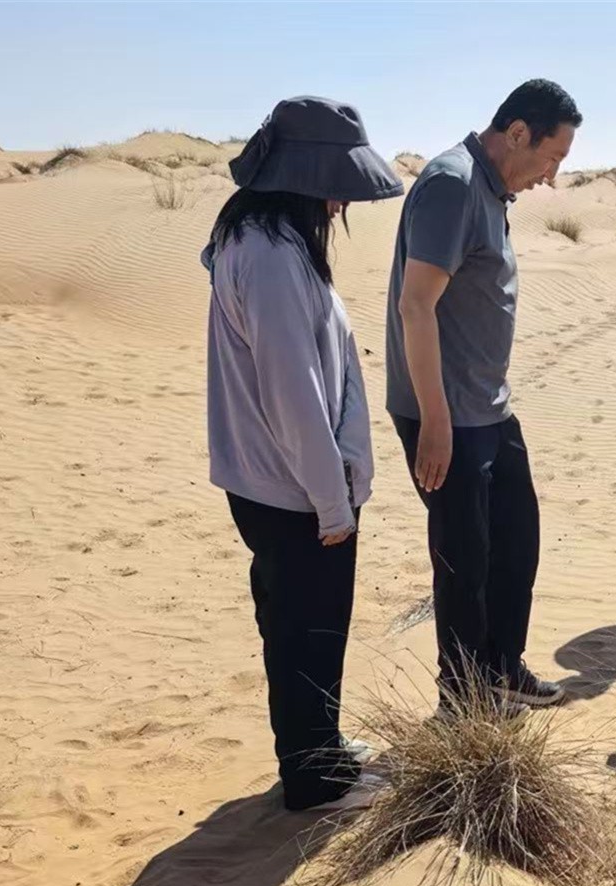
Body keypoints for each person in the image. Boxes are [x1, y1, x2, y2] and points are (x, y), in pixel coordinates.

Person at [204, 96, 403, 811]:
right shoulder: (269, 255)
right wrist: (331, 499)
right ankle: (314, 779)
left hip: (279, 483)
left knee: (297, 626)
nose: (339, 201)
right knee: (307, 631)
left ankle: (315, 747)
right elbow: (293, 391)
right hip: (293, 489)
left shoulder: (259, 240)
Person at [385, 79, 582, 719]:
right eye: (550, 158)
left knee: (515, 540)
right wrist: (435, 422)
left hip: (487, 409)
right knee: (464, 560)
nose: (550, 177)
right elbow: (416, 305)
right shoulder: (451, 185)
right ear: (517, 133)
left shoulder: (489, 190)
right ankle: (462, 702)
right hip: (445, 413)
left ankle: (499, 669)